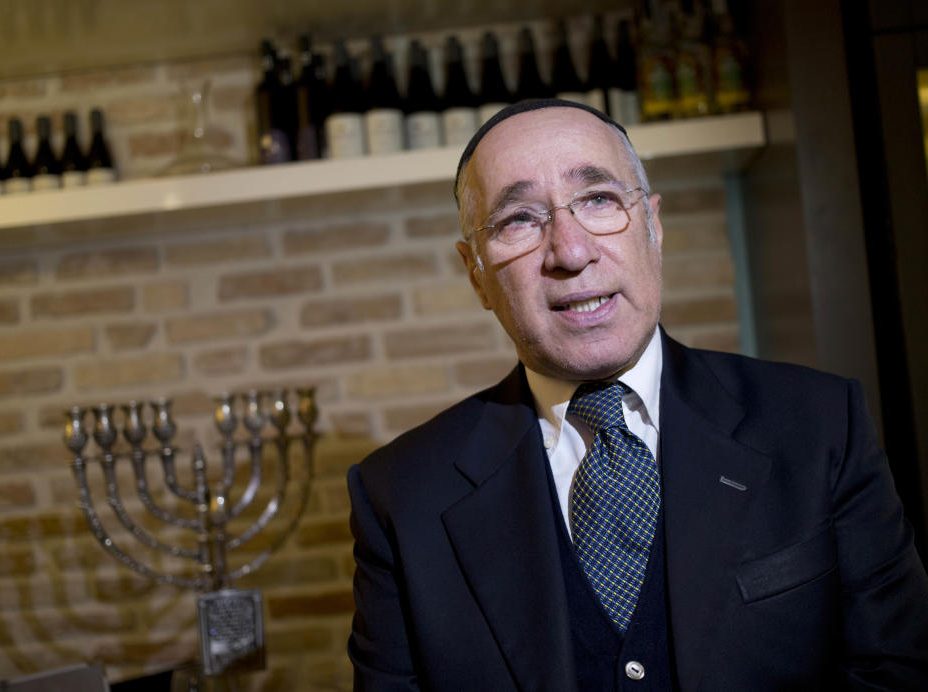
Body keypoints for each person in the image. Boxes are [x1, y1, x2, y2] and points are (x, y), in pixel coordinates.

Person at [346, 99, 928, 690]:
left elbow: (897, 672)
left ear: (653, 224)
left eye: (599, 199)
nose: (570, 252)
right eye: (519, 219)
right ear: (476, 274)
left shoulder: (821, 425)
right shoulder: (399, 495)